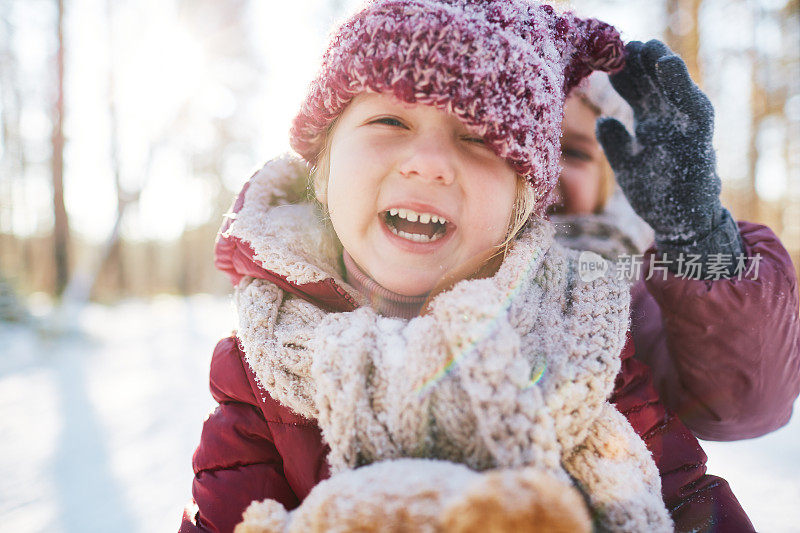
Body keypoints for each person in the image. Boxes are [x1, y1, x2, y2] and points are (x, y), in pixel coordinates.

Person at [181, 1, 754, 531]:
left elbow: (686, 499)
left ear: (523, 203)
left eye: (478, 138)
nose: (429, 164)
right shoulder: (261, 368)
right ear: (323, 167)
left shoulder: (584, 336)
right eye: (390, 122)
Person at [551, 59, 800, 441]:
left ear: (612, 176)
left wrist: (695, 245)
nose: (543, 169)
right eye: (520, 145)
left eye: (574, 152)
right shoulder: (438, 264)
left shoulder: (628, 287)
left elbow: (737, 406)